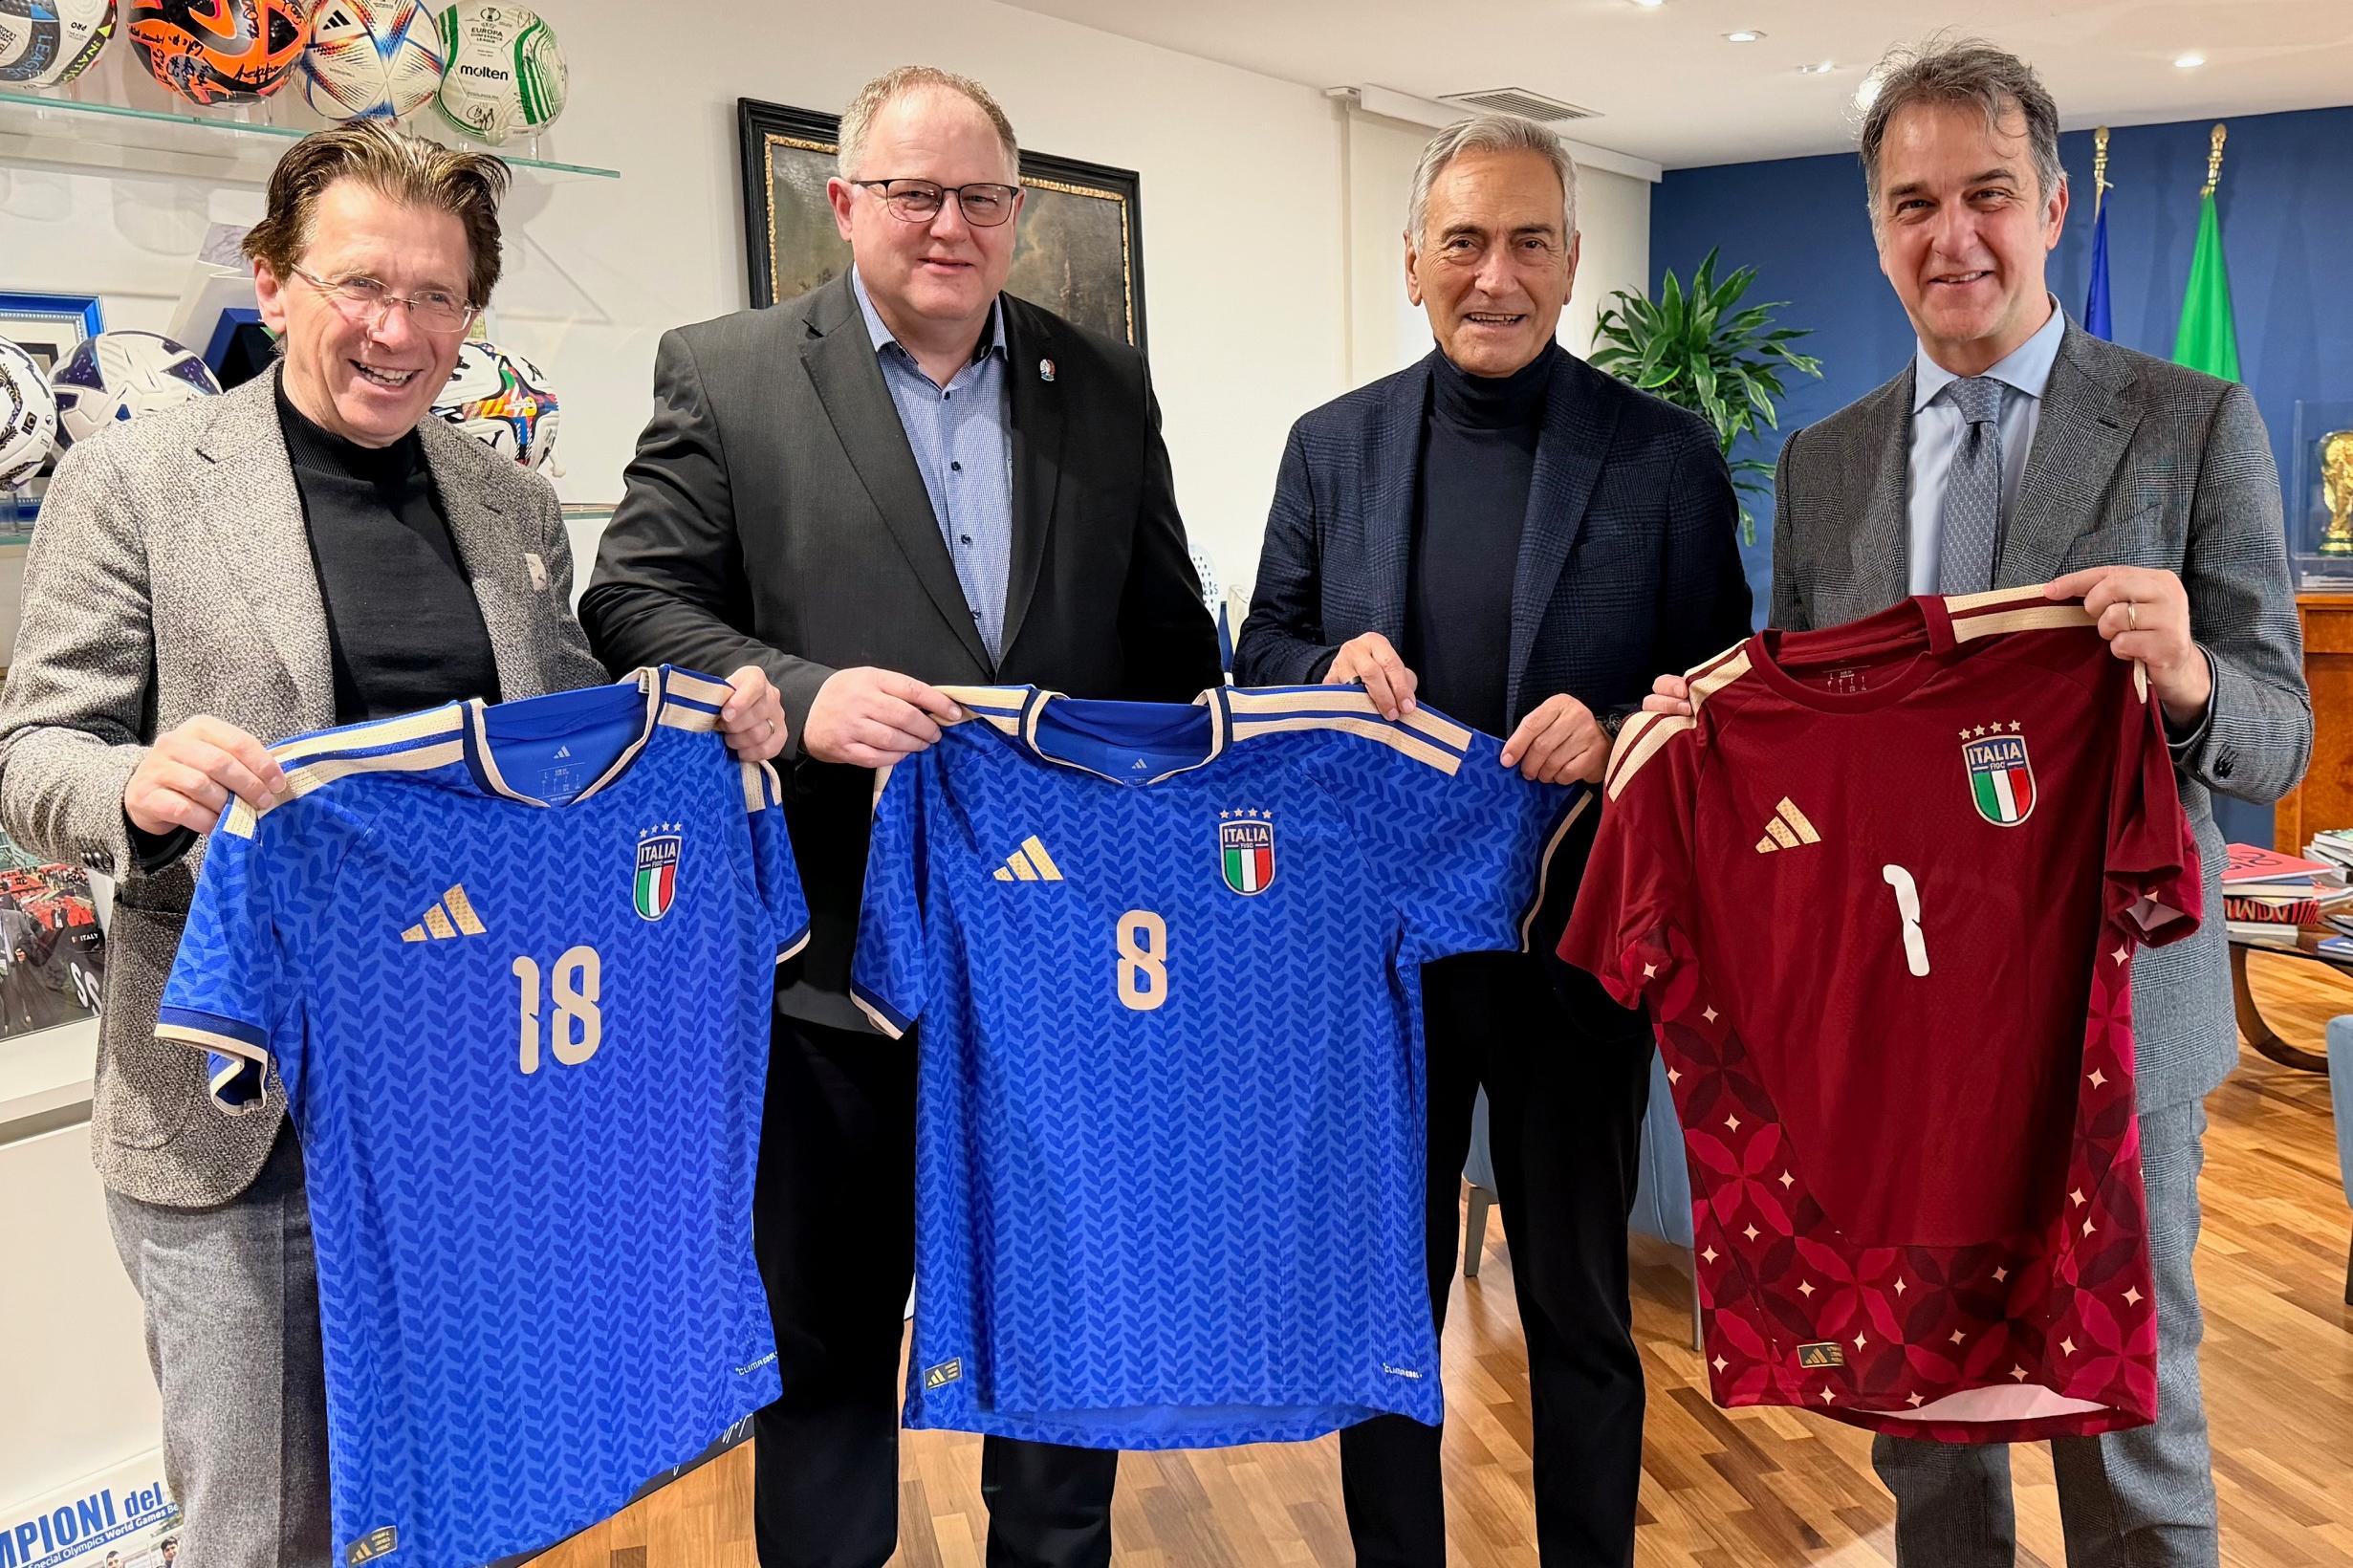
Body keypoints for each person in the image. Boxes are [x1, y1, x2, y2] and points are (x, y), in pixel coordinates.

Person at [0, 123, 786, 1568]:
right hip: (239, 1111)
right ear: (273, 281)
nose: (398, 331)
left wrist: (705, 725)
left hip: (472, 1101)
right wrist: (140, 787)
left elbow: (558, 749)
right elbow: (31, 754)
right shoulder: (136, 479)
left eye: (437, 297)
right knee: (261, 1525)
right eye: (361, 285)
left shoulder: (509, 502)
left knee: (471, 1486)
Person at [1650, 38, 2309, 1567]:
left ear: (2052, 206)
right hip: (1902, 1019)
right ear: (1876, 227)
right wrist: (1706, 736)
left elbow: (2277, 739)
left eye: (1987, 194)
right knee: (1920, 1406)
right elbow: (1815, 745)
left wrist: (2187, 679)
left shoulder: (2189, 422)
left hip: (2110, 1010)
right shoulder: (1823, 467)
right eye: (1913, 204)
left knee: (2127, 1413)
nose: (1952, 236)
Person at [581, 64, 1220, 1568]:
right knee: (827, 1351)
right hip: (828, 959)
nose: (950, 226)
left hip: (1059, 960)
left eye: (981, 198)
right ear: (844, 201)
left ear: (1017, 212)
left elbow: (1170, 642)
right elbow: (629, 601)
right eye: (915, 193)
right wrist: (800, 695)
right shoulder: (729, 373)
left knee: (1059, 1335)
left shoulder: (1099, 382)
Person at [1234, 113, 1750, 1567]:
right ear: (1413, 261)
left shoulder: (1662, 457)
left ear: (1573, 261)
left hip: (1570, 951)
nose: (1496, 274)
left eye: (1529, 242)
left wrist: (1621, 725)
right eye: (1464, 241)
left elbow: (1724, 692)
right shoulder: (1328, 447)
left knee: (1579, 1311)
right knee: (1383, 1309)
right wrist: (1322, 666)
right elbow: (1261, 645)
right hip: (1376, 967)